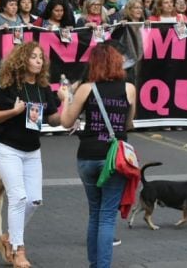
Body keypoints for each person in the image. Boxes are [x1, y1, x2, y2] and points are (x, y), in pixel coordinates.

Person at [0, 42, 63, 268]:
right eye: (34, 57)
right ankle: (18, 250)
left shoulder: (43, 88)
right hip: (6, 148)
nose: (39, 61)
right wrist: (14, 111)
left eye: (41, 57)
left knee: (34, 200)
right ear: (22, 60)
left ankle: (8, 237)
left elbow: (53, 119)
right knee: (18, 197)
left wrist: (66, 102)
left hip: (32, 150)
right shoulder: (7, 85)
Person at [61, 43, 136, 268]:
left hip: (87, 156)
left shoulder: (86, 88)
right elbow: (129, 124)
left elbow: (66, 122)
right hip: (114, 159)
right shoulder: (129, 89)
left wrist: (66, 97)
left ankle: (94, 263)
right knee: (107, 217)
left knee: (95, 212)